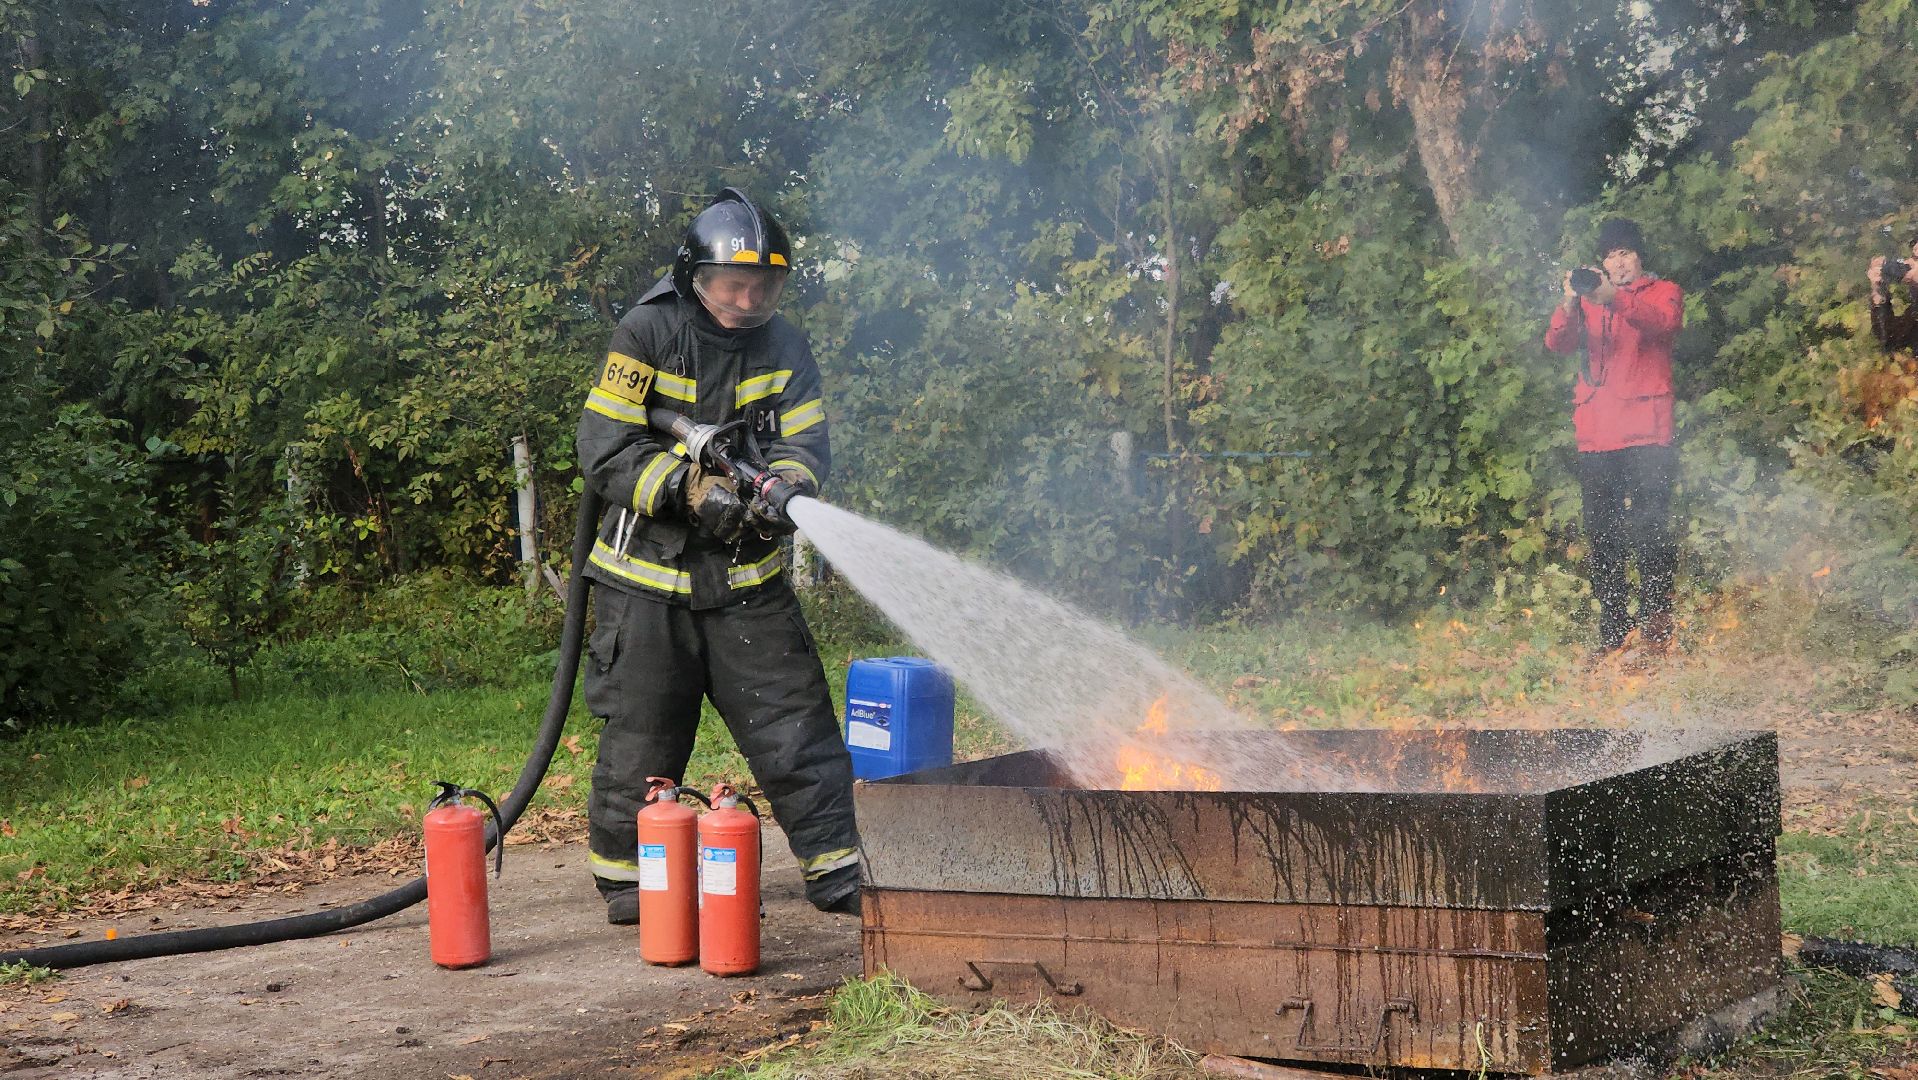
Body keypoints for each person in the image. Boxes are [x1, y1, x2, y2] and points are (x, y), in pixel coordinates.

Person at [574, 188, 860, 923]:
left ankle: (838, 866)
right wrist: (685, 491)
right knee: (642, 732)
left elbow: (807, 443)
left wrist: (784, 489)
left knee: (795, 724)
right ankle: (633, 881)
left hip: (746, 581)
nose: (749, 297)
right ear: (695, 277)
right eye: (735, 284)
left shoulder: (784, 345)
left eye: (764, 284)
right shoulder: (646, 332)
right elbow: (604, 449)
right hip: (645, 583)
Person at [1544, 218, 1686, 658]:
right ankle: (1614, 632)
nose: (1618, 261)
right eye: (1610, 255)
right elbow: (1557, 344)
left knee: (1651, 530)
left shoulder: (1666, 291)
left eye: (1625, 252)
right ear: (1601, 263)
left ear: (1640, 257)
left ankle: (1658, 630)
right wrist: (1570, 302)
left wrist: (1616, 298)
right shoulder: (1587, 303)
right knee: (1603, 536)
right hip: (1598, 435)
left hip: (1647, 431)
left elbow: (1662, 324)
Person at [1867, 233, 1918, 351]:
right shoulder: (1914, 314)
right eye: (1913, 257)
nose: (1908, 264)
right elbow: (1890, 340)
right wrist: (1878, 291)